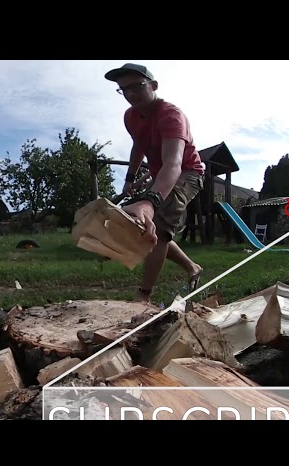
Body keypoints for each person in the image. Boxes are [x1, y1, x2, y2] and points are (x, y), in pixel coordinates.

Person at [104, 63, 205, 304]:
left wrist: (150, 202)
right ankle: (193, 267)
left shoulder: (171, 116)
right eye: (123, 90)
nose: (130, 95)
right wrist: (130, 178)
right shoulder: (131, 116)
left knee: (157, 227)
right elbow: (139, 146)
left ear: (153, 85)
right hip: (161, 174)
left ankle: (144, 296)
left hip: (187, 173)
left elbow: (174, 164)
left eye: (137, 87)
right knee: (145, 228)